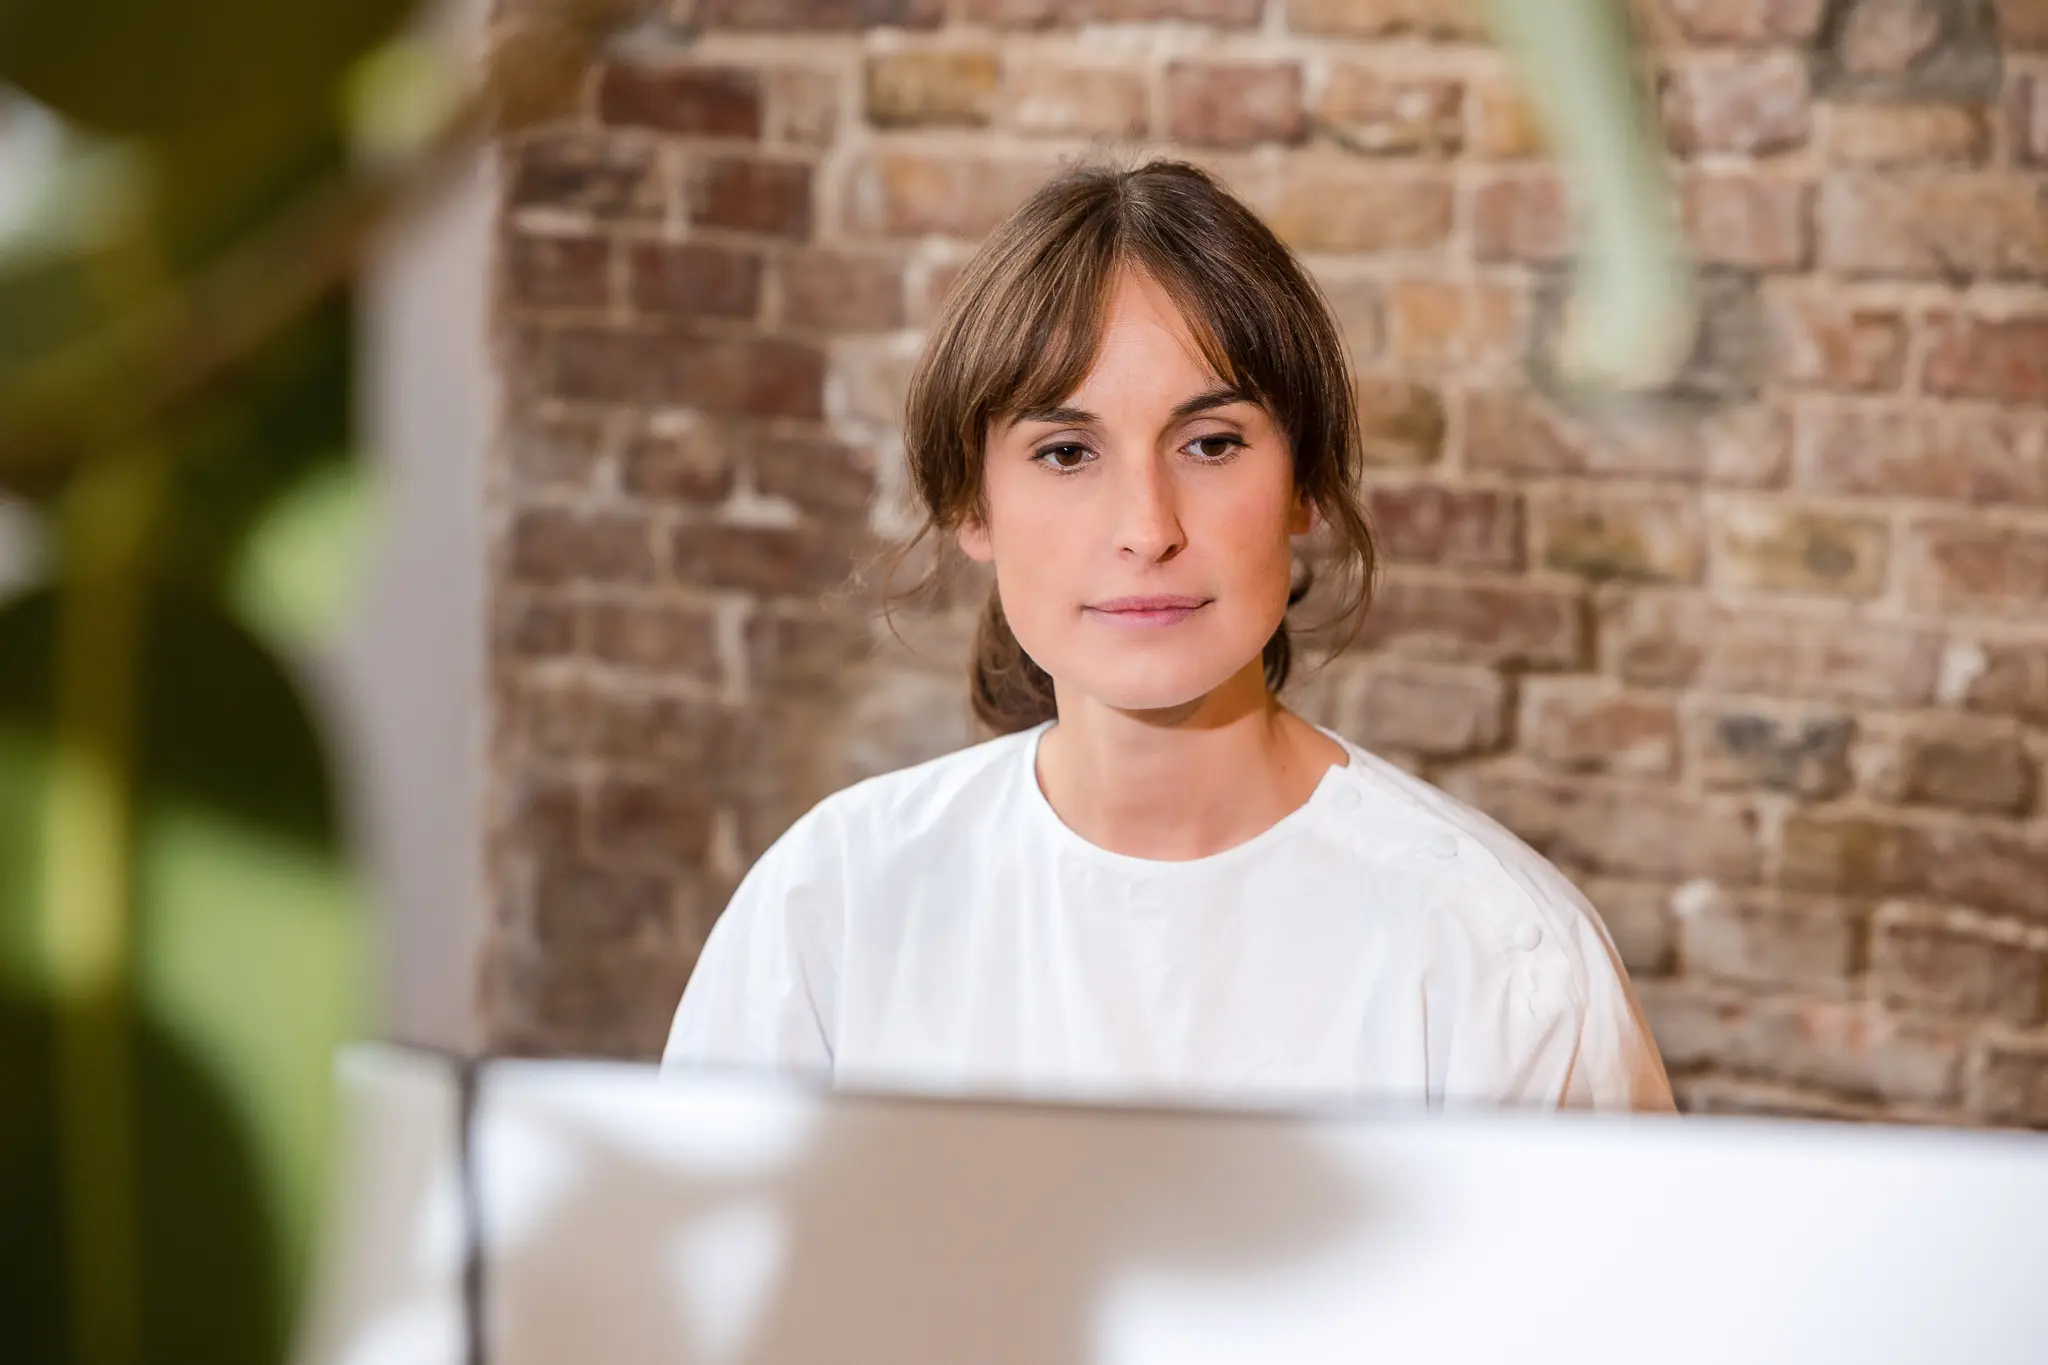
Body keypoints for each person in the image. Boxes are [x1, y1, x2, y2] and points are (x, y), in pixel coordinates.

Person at [664, 160, 1673, 1114]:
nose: (1146, 528)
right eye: (1065, 452)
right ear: (972, 506)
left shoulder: (1503, 955)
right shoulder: (835, 902)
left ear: (1304, 487)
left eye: (1209, 444)